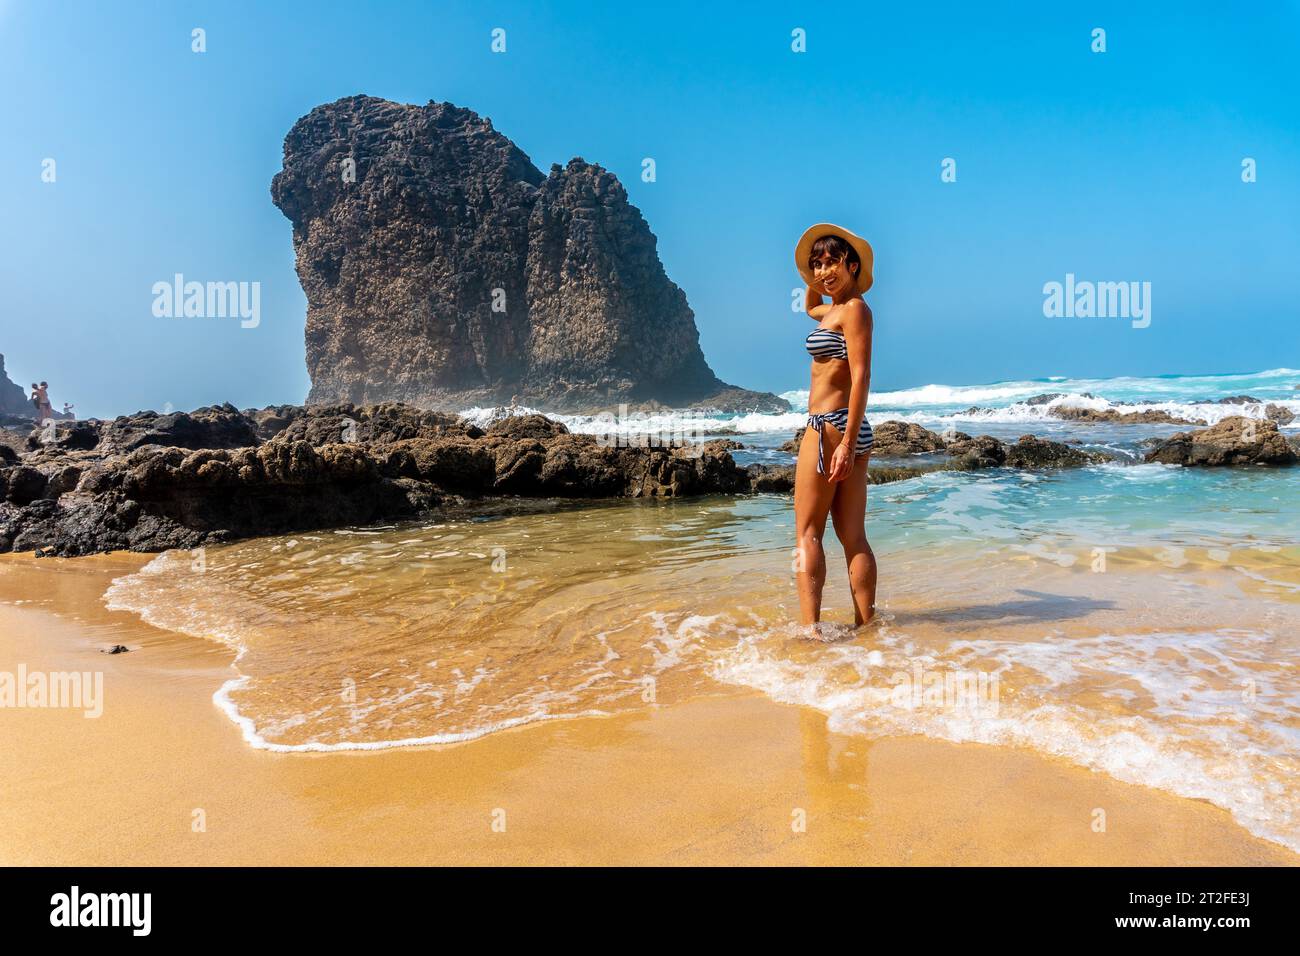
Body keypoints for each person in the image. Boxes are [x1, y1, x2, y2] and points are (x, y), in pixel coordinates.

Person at [792, 223, 878, 632]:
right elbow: (810, 305)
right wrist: (814, 275)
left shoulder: (856, 309)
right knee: (851, 536)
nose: (824, 272)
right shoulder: (833, 309)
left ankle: (810, 631)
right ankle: (867, 628)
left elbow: (861, 377)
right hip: (844, 429)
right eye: (818, 264)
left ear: (853, 265)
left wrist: (844, 442)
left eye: (833, 262)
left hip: (831, 427)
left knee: (808, 533)